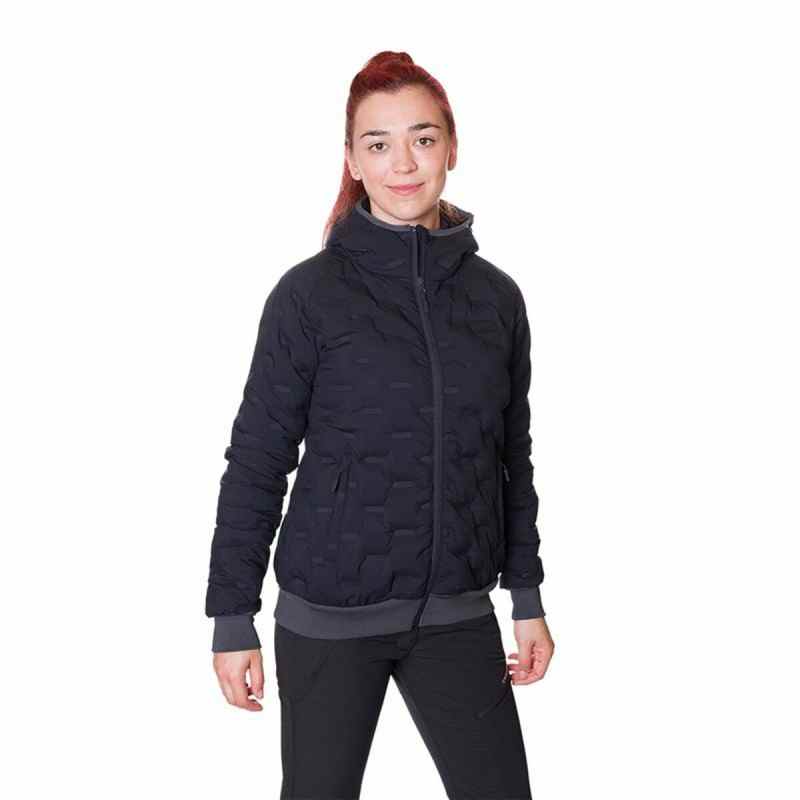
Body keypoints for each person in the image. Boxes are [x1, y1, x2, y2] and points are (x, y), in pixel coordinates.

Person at [205, 50, 555, 800]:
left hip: (457, 614)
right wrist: (233, 614)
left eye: (423, 139)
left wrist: (526, 597)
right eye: (378, 143)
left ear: (452, 148)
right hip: (328, 618)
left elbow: (511, 458)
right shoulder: (308, 297)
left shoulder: (496, 300)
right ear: (352, 161)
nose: (403, 163)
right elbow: (258, 459)